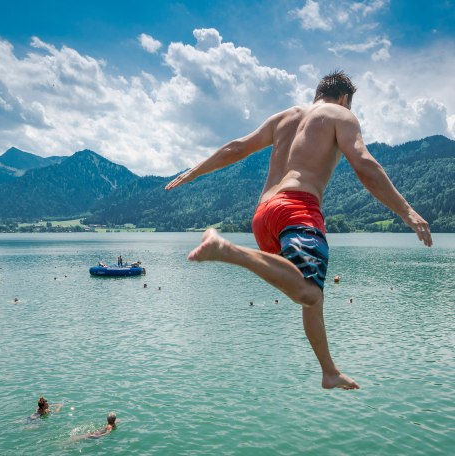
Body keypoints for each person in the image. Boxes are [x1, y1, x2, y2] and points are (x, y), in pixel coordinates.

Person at [165, 70, 432, 390]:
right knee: (308, 288)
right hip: (298, 209)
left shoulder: (284, 117)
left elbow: (236, 148)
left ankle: (329, 371)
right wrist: (407, 211)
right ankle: (226, 250)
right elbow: (364, 164)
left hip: (263, 217)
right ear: (345, 99)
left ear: (318, 93)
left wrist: (193, 172)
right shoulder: (341, 115)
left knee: (310, 297)